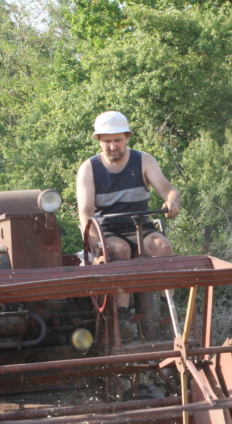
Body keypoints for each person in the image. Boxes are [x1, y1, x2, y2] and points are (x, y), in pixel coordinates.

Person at [76, 111, 181, 321]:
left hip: (140, 227)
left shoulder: (144, 161)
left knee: (163, 247)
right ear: (98, 141)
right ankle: (122, 316)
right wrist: (95, 241)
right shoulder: (89, 169)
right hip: (108, 231)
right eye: (107, 141)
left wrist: (172, 202)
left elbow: (170, 190)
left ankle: (168, 311)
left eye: (117, 140)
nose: (113, 146)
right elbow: (86, 214)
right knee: (120, 250)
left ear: (127, 138)